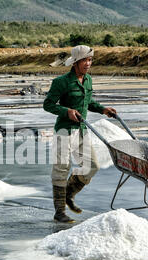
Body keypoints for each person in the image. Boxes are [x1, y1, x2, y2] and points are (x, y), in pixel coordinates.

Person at [43, 45, 117, 223]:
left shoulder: (88, 80)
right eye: (85, 60)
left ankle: (68, 194)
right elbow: (48, 104)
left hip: (81, 131)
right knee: (61, 169)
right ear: (75, 62)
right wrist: (66, 111)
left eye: (90, 60)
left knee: (92, 166)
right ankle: (59, 212)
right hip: (64, 131)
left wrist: (102, 110)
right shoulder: (61, 82)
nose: (88, 63)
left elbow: (88, 101)